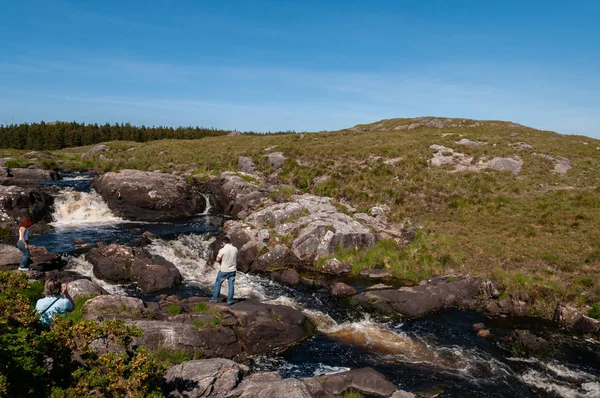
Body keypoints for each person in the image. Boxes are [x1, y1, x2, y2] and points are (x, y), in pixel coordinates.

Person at [210, 237, 238, 305]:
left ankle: (214, 299)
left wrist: (219, 252)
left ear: (223, 243)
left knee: (218, 283)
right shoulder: (235, 249)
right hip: (233, 270)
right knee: (231, 285)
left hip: (224, 270)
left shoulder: (222, 250)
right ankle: (230, 300)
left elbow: (217, 259)